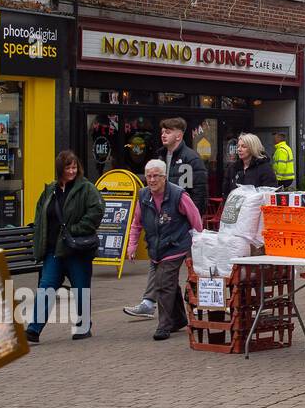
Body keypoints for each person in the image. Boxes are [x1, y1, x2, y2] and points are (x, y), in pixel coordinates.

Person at [124, 118, 209, 320]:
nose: (163, 134)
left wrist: (193, 222)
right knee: (162, 265)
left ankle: (196, 303)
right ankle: (151, 303)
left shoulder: (191, 159)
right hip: (165, 223)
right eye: (162, 131)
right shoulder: (161, 157)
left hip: (183, 223)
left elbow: (199, 191)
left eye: (168, 131)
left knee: (191, 267)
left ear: (179, 135)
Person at [26, 151, 105, 342]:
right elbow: (40, 214)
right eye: (67, 168)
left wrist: (77, 229)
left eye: (74, 167)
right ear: (59, 169)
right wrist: (39, 233)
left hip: (76, 250)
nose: (71, 171)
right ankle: (33, 330)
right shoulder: (50, 190)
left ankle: (83, 326)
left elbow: (97, 209)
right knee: (46, 287)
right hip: (54, 250)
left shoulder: (86, 188)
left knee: (80, 289)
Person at [127, 159, 203, 340]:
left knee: (163, 284)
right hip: (155, 247)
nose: (152, 180)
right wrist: (132, 245)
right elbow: (137, 224)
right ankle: (178, 319)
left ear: (164, 177)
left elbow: (196, 219)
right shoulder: (143, 196)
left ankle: (164, 325)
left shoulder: (178, 195)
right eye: (149, 176)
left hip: (176, 245)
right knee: (169, 284)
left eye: (156, 176)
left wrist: (199, 244)